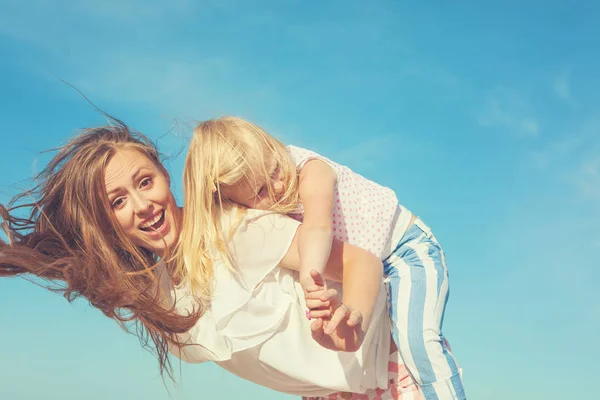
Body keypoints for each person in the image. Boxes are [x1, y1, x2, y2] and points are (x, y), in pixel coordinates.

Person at [0, 120, 423, 399]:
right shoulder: (150, 288)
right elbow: (73, 261)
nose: (143, 205)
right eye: (117, 202)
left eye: (145, 182)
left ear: (167, 178)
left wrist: (355, 321)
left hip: (390, 361)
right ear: (104, 222)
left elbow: (361, 261)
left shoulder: (231, 231)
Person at [187, 116, 465, 400]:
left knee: (417, 341)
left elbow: (318, 226)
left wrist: (311, 279)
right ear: (231, 199)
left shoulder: (311, 171)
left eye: (274, 169)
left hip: (406, 250)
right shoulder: (245, 218)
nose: (279, 186)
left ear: (272, 145)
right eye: (260, 192)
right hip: (374, 269)